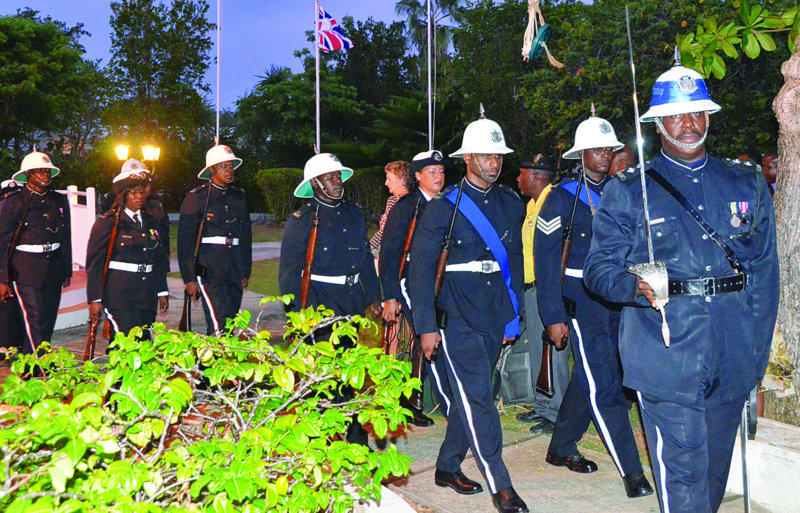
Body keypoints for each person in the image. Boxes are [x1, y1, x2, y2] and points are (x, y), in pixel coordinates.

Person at [584, 59, 779, 513]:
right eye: (676, 116)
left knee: (712, 479)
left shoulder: (744, 181)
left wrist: (756, 356)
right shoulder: (629, 189)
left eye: (696, 113)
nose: (688, 125)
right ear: (658, 124)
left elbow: (764, 274)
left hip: (731, 349)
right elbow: (598, 269)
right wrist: (633, 284)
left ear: (708, 117)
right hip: (665, 351)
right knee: (683, 480)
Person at [408, 115, 528, 513]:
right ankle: (501, 486)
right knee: (479, 400)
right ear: (468, 158)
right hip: (456, 315)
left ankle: (446, 466)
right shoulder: (444, 207)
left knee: (472, 395)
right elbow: (420, 272)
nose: (494, 163)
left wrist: (514, 314)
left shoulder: (510, 203)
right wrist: (426, 326)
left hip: (495, 312)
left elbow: (514, 263)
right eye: (486, 156)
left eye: (498, 156)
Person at [535, 115, 652, 499]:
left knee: (590, 376)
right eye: (597, 149)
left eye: (609, 148)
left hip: (623, 299)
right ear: (581, 154)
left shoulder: (625, 193)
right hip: (583, 304)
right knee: (606, 385)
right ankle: (632, 472)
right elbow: (545, 263)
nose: (605, 154)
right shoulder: (561, 198)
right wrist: (553, 316)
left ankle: (560, 446)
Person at [278, 152, 382, 446]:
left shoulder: (354, 213)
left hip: (352, 301)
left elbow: (364, 258)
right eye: (330, 177)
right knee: (325, 376)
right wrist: (296, 315)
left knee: (351, 371)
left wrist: (373, 296)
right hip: (319, 303)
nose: (337, 181)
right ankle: (324, 438)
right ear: (315, 183)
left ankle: (353, 438)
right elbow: (289, 273)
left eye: (338, 176)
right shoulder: (302, 220)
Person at [379, 150, 446, 428]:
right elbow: (389, 253)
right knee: (423, 332)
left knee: (436, 333)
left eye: (441, 171)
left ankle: (422, 395)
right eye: (431, 172)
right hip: (410, 279)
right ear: (417, 176)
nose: (438, 176)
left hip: (442, 279)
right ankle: (412, 400)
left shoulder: (447, 203)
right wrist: (390, 295)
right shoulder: (406, 206)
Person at [514, 155, 569, 435]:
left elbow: (551, 256)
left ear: (536, 175)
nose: (517, 178)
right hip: (531, 288)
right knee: (539, 350)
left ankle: (558, 412)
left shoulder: (553, 201)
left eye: (521, 173)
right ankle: (543, 405)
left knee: (554, 352)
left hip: (547, 288)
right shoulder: (532, 205)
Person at [0, 151, 72, 354]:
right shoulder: (13, 202)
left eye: (48, 171)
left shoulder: (58, 200)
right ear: (28, 174)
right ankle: (40, 364)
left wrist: (66, 270)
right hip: (25, 268)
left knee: (48, 318)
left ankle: (29, 364)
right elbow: (2, 242)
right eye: (40, 171)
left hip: (53, 267)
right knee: (35, 318)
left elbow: (65, 237)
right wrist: (2, 279)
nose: (46, 175)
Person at [87, 162, 169, 339]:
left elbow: (158, 259)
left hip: (146, 293)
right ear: (123, 195)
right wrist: (95, 298)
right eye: (133, 192)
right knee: (127, 343)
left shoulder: (152, 221)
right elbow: (95, 263)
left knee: (144, 343)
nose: (139, 196)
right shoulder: (109, 222)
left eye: (142, 192)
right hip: (119, 295)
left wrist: (162, 291)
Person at [178, 144, 252, 335]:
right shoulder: (197, 197)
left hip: (234, 266)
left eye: (231, 166)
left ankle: (212, 354)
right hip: (210, 267)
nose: (229, 171)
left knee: (230, 320)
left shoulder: (239, 196)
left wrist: (245, 271)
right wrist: (189, 278)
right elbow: (185, 242)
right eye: (224, 166)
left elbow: (245, 236)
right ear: (212, 169)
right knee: (218, 322)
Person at [99, 159, 170, 271]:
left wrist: (163, 269)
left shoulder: (155, 212)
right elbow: (98, 261)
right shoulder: (109, 215)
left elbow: (163, 245)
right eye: (133, 190)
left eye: (142, 189)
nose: (139, 195)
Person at [0, 180, 25, 355]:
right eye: (8, 195)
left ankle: (18, 345)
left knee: (18, 309)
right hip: (3, 271)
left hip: (19, 269)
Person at [370, 161, 415, 257]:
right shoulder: (393, 200)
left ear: (401, 181)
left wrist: (368, 247)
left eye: (389, 179)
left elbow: (384, 231)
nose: (386, 183)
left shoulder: (400, 203)